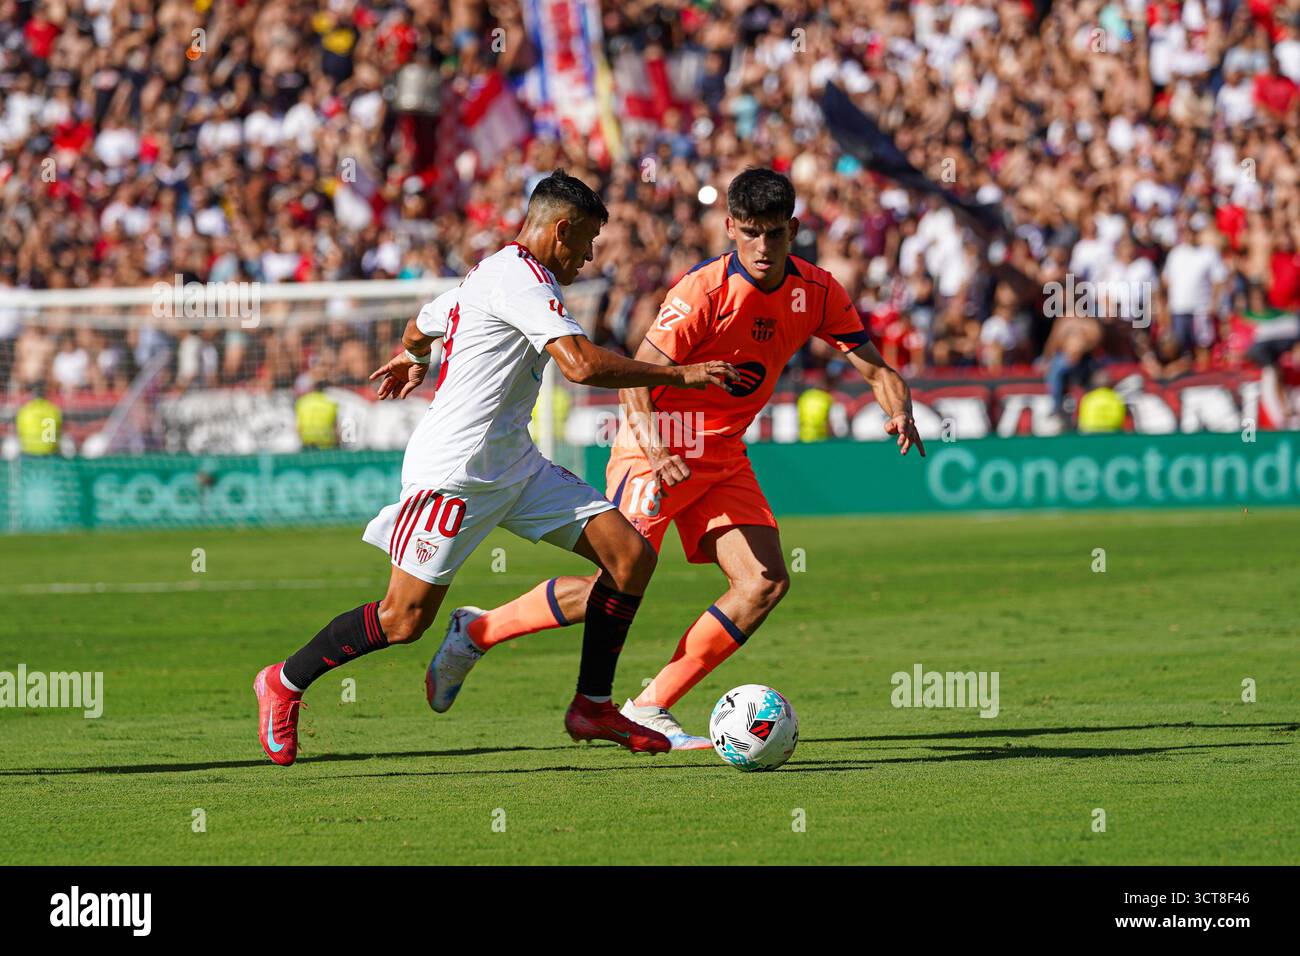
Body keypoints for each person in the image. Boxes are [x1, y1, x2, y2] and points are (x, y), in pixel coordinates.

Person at [426, 168, 924, 748]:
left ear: (793, 229)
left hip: (723, 455)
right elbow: (636, 377)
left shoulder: (816, 291)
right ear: (732, 226)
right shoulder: (702, 293)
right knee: (613, 580)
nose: (764, 248)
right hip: (655, 445)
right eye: (752, 233)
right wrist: (658, 450)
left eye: (777, 235)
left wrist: (899, 409)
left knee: (763, 582)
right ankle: (478, 629)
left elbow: (874, 366)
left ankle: (651, 703)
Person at [253, 170, 738, 765]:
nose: (588, 257)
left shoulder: (492, 274)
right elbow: (582, 366)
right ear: (560, 230)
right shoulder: (519, 281)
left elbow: (422, 322)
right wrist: (680, 374)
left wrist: (413, 357)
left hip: (517, 466)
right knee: (403, 621)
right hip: (452, 476)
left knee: (631, 557)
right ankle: (284, 680)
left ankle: (592, 705)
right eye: (585, 243)